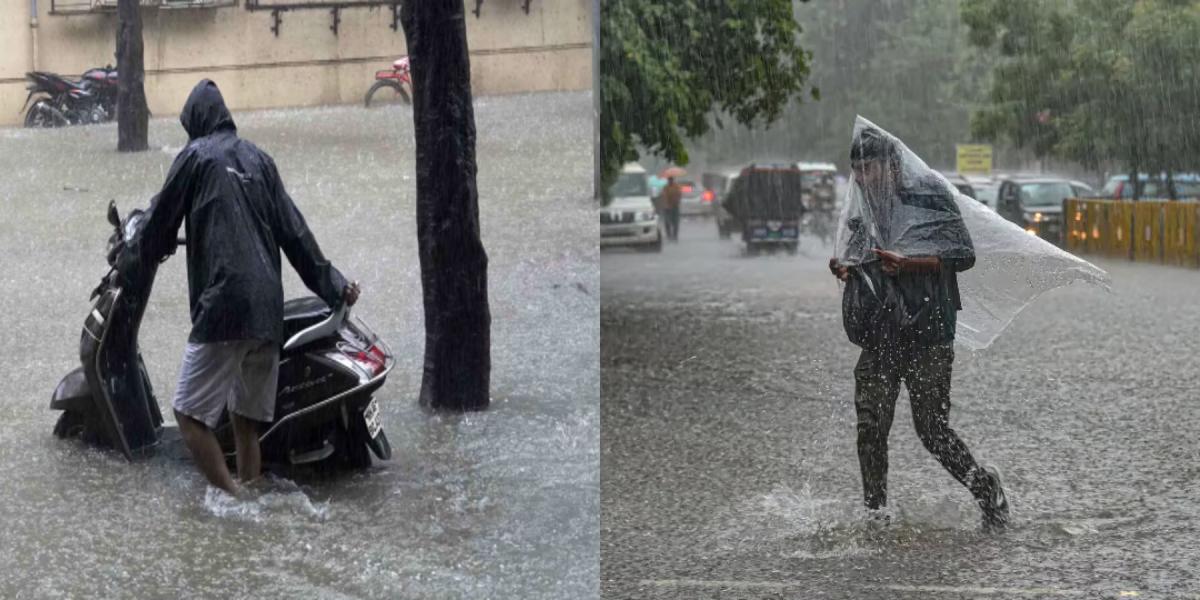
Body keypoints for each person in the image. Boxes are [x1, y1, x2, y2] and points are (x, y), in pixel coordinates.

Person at [118, 79, 359, 496]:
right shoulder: (260, 160)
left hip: (224, 305)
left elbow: (158, 224)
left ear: (195, 122)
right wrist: (334, 285)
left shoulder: (194, 156)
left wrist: (129, 262)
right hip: (268, 312)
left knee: (189, 417)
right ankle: (252, 491)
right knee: (244, 422)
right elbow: (296, 235)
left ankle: (234, 502)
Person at [829, 126, 1010, 530]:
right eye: (855, 170)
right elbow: (859, 254)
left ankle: (985, 489)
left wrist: (908, 263)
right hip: (881, 331)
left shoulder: (929, 194)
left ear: (892, 165)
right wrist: (846, 268)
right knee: (870, 426)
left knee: (930, 429)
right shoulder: (864, 205)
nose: (862, 178)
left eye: (869, 168)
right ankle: (876, 514)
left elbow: (962, 256)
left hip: (928, 329)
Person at [658, 176, 682, 241]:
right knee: (667, 222)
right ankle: (669, 235)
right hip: (667, 208)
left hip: (675, 207)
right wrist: (666, 205)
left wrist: (677, 201)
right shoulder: (665, 187)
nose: (670, 181)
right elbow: (663, 196)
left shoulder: (676, 187)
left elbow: (679, 195)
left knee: (675, 223)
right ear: (668, 180)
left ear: (673, 180)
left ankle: (675, 236)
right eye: (669, 180)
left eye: (671, 179)